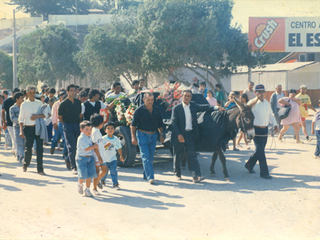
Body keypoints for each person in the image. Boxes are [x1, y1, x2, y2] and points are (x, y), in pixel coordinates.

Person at [171, 90, 225, 182]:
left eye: (188, 96)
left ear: (191, 98)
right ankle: (177, 173)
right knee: (178, 155)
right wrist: (179, 135)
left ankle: (196, 176)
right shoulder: (176, 108)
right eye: (185, 96)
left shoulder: (193, 105)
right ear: (182, 97)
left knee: (192, 155)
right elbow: (174, 123)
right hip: (179, 135)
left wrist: (217, 107)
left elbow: (204, 107)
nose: (187, 97)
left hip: (190, 134)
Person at [245, 84, 278, 179]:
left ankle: (249, 165)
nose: (261, 93)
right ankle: (264, 173)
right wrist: (248, 133)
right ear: (255, 93)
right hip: (256, 129)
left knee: (260, 150)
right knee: (261, 152)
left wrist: (275, 124)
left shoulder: (266, 103)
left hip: (265, 129)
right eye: (259, 92)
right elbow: (246, 117)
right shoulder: (251, 103)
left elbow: (271, 115)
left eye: (263, 91)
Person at [131, 92, 165, 184]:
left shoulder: (157, 110)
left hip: (153, 135)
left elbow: (160, 124)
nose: (150, 102)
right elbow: (133, 125)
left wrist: (161, 135)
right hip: (142, 135)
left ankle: (146, 174)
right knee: (145, 155)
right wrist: (133, 137)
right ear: (144, 100)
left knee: (150, 156)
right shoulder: (139, 110)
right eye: (148, 100)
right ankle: (151, 176)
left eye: (152, 100)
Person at [19, 85, 50, 175]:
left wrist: (37, 116)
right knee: (28, 148)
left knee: (40, 149)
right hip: (28, 128)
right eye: (30, 93)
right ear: (27, 93)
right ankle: (25, 164)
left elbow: (45, 115)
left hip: (38, 127)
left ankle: (40, 169)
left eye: (33, 93)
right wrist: (21, 130)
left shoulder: (39, 103)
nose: (32, 94)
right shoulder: (24, 104)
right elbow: (21, 119)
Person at [58, 84, 82, 174]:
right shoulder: (63, 104)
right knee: (71, 146)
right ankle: (74, 167)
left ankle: (68, 159)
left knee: (77, 146)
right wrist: (66, 125)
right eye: (71, 90)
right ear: (67, 92)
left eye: (74, 90)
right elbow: (60, 117)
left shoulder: (78, 102)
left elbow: (80, 114)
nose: (73, 92)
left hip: (77, 125)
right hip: (67, 125)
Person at [76, 121, 98, 197]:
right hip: (82, 159)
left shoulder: (90, 137)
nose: (89, 131)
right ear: (81, 129)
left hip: (90, 158)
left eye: (90, 129)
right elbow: (86, 148)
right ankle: (80, 184)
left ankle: (87, 189)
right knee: (83, 176)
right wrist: (94, 146)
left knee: (90, 175)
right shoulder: (81, 138)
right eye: (87, 129)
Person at [100, 121, 124, 189]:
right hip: (105, 159)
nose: (110, 130)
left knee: (113, 171)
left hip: (113, 158)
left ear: (114, 130)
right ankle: (102, 181)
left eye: (112, 128)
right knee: (105, 171)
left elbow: (119, 148)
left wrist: (121, 156)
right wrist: (106, 145)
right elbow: (100, 148)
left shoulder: (116, 139)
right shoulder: (103, 139)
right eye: (108, 128)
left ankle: (115, 184)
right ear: (105, 130)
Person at [2, 88, 20, 156]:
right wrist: (4, 122)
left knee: (17, 138)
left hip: (19, 123)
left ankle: (15, 150)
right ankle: (17, 152)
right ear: (12, 94)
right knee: (14, 138)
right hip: (10, 123)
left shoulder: (21, 101)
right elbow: (3, 112)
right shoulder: (7, 101)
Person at [50, 90, 67, 156]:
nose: (63, 97)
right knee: (56, 137)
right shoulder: (56, 104)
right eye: (61, 96)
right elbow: (54, 114)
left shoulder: (67, 103)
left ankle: (64, 153)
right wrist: (54, 123)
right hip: (58, 123)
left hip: (65, 123)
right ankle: (52, 147)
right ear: (59, 97)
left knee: (65, 138)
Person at [9, 92, 24, 162]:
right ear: (17, 99)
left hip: (25, 127)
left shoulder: (24, 107)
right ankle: (21, 155)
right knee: (19, 142)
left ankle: (21, 154)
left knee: (24, 143)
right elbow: (13, 119)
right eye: (21, 98)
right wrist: (21, 120)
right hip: (17, 127)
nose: (23, 99)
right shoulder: (12, 108)